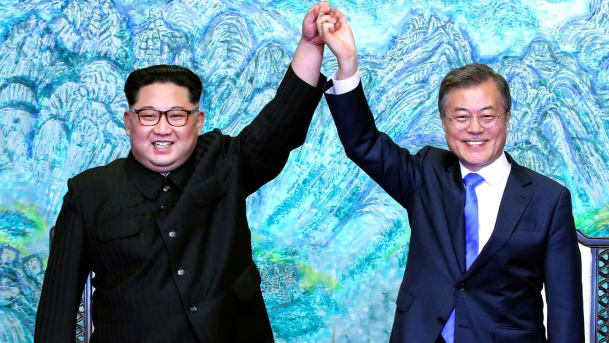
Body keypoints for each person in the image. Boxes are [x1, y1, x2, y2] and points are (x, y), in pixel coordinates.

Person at [34, 2, 332, 342]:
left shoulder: (224, 160)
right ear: (129, 123)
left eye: (177, 115)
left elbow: (280, 125)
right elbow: (56, 312)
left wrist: (311, 45)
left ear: (198, 122)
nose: (163, 128)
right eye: (148, 115)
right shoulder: (88, 192)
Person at [317, 9, 584, 343]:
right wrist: (347, 65)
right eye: (461, 116)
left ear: (506, 118)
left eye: (488, 115)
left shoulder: (549, 199)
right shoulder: (425, 174)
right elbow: (363, 143)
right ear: (444, 122)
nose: (475, 129)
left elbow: (565, 311)